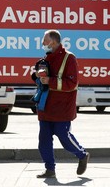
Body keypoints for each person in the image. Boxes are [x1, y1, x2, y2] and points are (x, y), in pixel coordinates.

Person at [32, 29, 90, 178]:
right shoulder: (46, 58)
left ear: (54, 42)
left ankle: (82, 155)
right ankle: (50, 169)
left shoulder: (69, 58)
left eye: (45, 40)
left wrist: (49, 81)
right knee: (43, 141)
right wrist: (37, 76)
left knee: (64, 137)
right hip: (45, 107)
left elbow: (72, 83)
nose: (43, 43)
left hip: (62, 108)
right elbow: (42, 80)